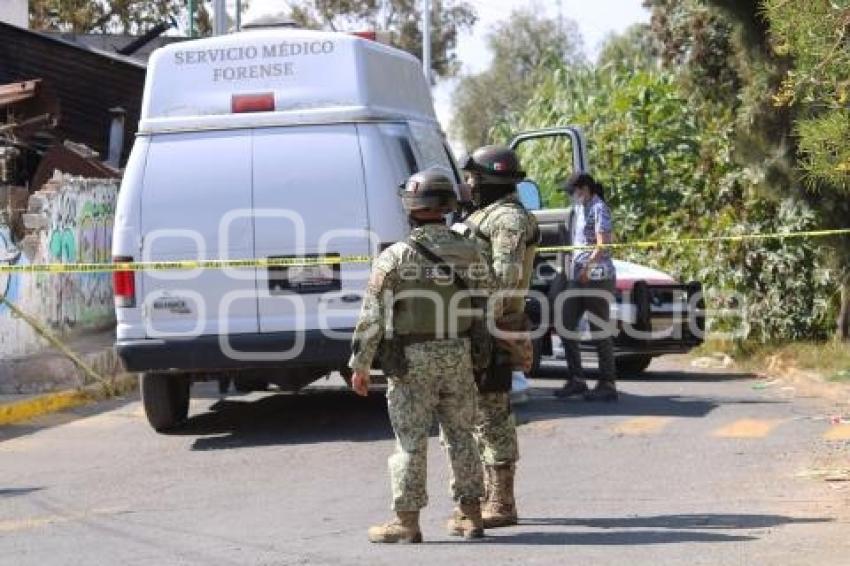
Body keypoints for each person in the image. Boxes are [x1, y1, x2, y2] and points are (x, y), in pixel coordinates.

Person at [349, 169, 498, 544]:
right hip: (459, 355)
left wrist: (360, 365)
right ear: (448, 205)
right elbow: (489, 299)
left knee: (410, 441)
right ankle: (471, 516)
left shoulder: (395, 257)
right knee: (462, 436)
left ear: (410, 206)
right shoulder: (472, 251)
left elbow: (372, 315)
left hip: (411, 361)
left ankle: (407, 521)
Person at [452, 145, 539, 530]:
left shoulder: (506, 219)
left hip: (492, 325)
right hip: (479, 323)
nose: (469, 185)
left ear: (487, 180)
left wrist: (482, 327)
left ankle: (502, 502)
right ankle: (490, 496)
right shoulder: (487, 215)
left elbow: (503, 280)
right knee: (479, 414)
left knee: (492, 414)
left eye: (473, 178)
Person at [554, 172, 619, 402]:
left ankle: (607, 383)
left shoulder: (599, 208)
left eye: (573, 191)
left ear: (584, 188)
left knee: (599, 329)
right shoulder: (579, 209)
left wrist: (588, 269)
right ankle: (577, 379)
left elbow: (603, 244)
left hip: (596, 276)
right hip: (578, 276)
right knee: (565, 324)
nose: (572, 196)